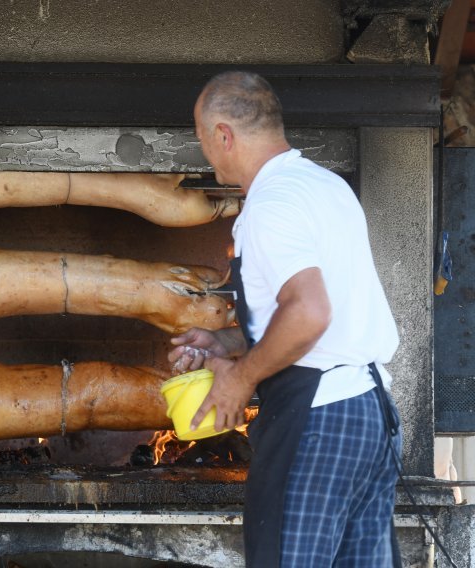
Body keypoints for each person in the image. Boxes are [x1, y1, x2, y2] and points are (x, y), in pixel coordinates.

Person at [169, 71, 403, 567]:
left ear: (224, 135)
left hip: (317, 421)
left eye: (200, 134)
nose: (202, 147)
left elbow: (311, 312)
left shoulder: (271, 205)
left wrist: (240, 379)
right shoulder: (325, 186)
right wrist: (227, 342)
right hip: (370, 414)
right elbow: (320, 317)